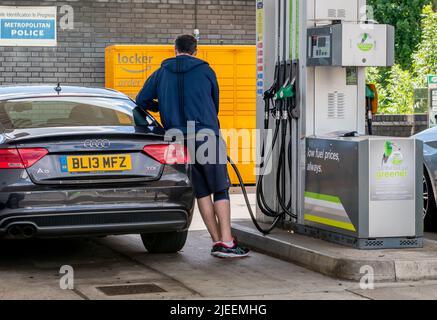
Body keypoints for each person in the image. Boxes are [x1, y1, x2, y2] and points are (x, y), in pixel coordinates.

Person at [136, 35, 249, 258]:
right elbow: (213, 104)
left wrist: (163, 107)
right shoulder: (206, 71)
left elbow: (141, 100)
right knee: (220, 188)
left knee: (202, 191)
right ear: (195, 51)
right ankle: (227, 242)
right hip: (205, 134)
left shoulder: (161, 73)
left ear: (175, 50)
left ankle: (217, 242)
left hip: (177, 139)